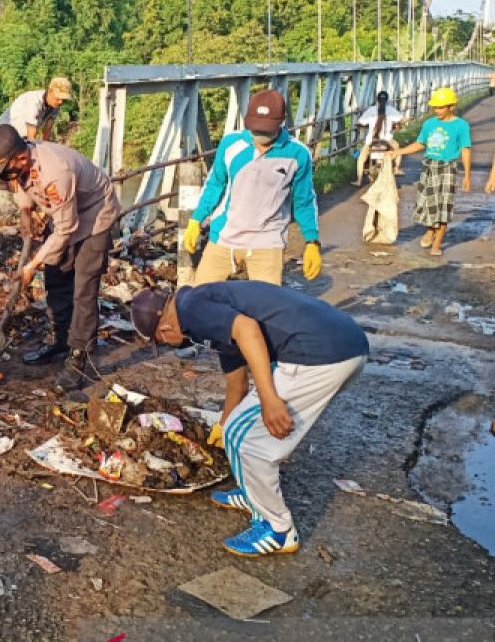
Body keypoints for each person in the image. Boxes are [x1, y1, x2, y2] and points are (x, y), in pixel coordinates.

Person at [130, 283, 368, 558]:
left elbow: (247, 330)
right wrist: (223, 424)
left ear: (164, 330)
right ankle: (255, 496)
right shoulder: (204, 307)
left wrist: (269, 398)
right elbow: (237, 384)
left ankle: (278, 529)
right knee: (234, 431)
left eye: (161, 342)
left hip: (319, 355)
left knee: (252, 444)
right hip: (346, 343)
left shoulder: (191, 310)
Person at [0, 125, 120, 392]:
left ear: (20, 158)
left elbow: (67, 227)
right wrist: (25, 212)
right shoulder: (21, 162)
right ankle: (61, 340)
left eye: (6, 170)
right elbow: (18, 183)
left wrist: (32, 265)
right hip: (64, 214)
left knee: (83, 290)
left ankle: (79, 357)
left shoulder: (56, 173)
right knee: (56, 277)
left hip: (94, 216)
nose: (6, 177)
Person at [183, 89, 321, 285]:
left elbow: (304, 201)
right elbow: (215, 184)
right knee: (199, 299)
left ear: (281, 122)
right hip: (224, 236)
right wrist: (196, 219)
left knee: (266, 309)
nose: (260, 136)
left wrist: (312, 241)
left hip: (267, 242)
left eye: (266, 129)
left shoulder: (297, 154)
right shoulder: (231, 144)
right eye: (256, 128)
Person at [386, 87, 472, 256]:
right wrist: (398, 152)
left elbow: (465, 149)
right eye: (435, 107)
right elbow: (420, 144)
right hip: (429, 167)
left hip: (447, 168)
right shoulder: (429, 124)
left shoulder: (461, 125)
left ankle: (437, 244)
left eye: (441, 107)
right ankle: (430, 231)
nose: (437, 110)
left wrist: (467, 175)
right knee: (427, 203)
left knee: (444, 207)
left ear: (451, 106)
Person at [0, 77, 74, 214]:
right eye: (58, 98)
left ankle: (25, 206)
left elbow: (47, 131)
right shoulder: (34, 102)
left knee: (30, 166)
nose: (60, 102)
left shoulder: (54, 106)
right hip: (8, 131)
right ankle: (9, 210)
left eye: (63, 100)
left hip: (23, 134)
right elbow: (32, 138)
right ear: (49, 91)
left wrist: (47, 154)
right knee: (12, 168)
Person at [352, 90, 404, 186]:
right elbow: (402, 119)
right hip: (387, 140)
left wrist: (361, 125)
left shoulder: (371, 110)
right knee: (398, 150)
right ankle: (396, 169)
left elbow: (360, 122)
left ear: (377, 99)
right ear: (387, 100)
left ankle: (359, 180)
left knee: (361, 158)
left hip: (372, 140)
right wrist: (397, 125)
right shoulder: (391, 110)